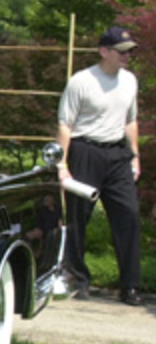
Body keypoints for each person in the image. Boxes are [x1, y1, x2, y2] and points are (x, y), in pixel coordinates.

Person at [56, 25, 144, 306]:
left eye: (129, 52)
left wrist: (135, 156)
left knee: (128, 217)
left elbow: (130, 121)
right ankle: (78, 279)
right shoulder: (81, 82)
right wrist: (62, 164)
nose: (126, 57)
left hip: (117, 155)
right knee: (78, 218)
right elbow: (65, 124)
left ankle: (130, 286)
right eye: (121, 52)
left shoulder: (129, 81)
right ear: (103, 51)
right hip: (85, 152)